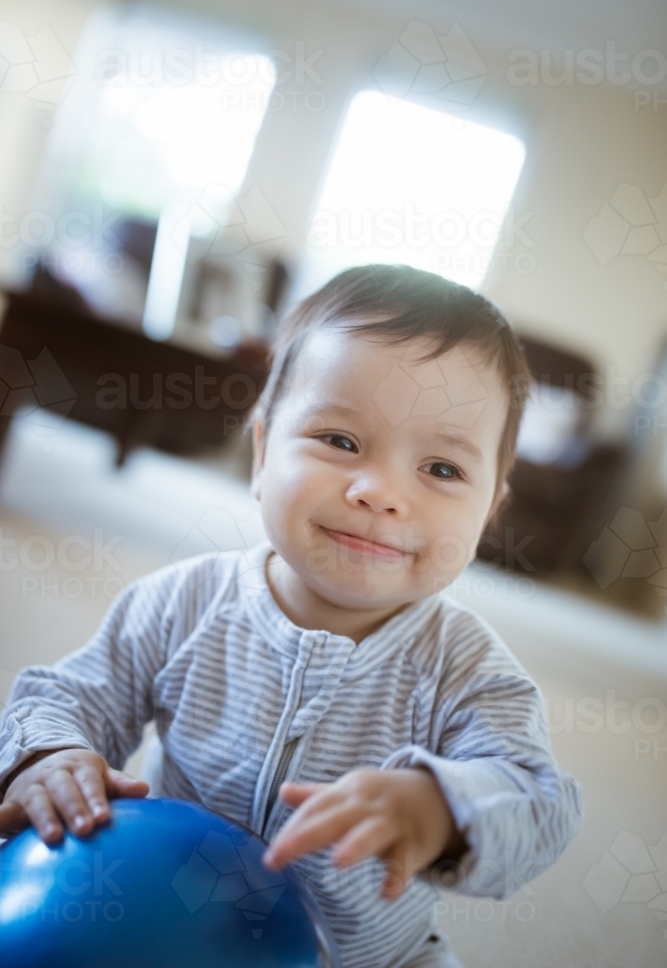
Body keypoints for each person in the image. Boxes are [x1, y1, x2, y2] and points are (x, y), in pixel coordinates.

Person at [0, 265, 582, 968]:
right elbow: (65, 693)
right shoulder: (183, 602)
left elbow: (541, 805)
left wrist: (442, 808)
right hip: (157, 931)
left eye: (441, 469)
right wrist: (49, 754)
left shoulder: (466, 671)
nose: (380, 492)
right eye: (340, 441)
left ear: (489, 510)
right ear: (262, 450)